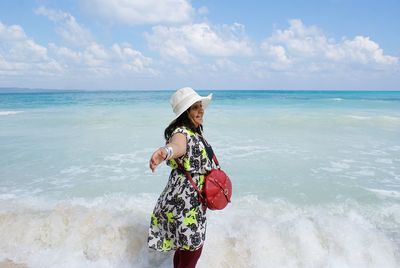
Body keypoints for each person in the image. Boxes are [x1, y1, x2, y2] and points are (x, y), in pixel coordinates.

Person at [148, 87, 218, 268]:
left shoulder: (195, 132)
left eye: (200, 106)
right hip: (185, 203)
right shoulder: (181, 132)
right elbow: (176, 146)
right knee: (193, 251)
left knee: (185, 249)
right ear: (185, 113)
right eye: (195, 107)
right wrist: (164, 152)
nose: (201, 110)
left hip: (189, 200)